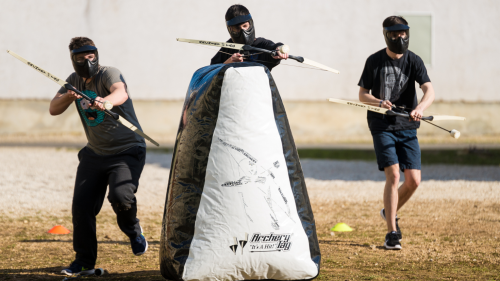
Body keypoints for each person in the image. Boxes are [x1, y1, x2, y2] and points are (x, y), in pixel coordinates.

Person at [49, 37, 148, 275]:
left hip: (127, 150)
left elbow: (120, 92)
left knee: (120, 197)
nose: (88, 60)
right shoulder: (73, 81)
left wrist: (106, 102)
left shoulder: (109, 74)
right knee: (81, 207)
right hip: (94, 154)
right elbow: (54, 108)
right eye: (82, 57)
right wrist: (69, 97)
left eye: (91, 55)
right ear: (73, 59)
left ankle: (133, 230)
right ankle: (84, 261)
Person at [357, 16, 435, 250]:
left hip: (408, 126)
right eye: (394, 34)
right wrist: (379, 102)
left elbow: (429, 89)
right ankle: (392, 232)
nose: (399, 38)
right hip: (382, 125)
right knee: (393, 174)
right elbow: (362, 95)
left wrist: (420, 108)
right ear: (386, 35)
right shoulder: (374, 61)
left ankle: (387, 211)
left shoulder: (414, 60)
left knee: (413, 180)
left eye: (403, 33)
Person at [210, 4, 288, 71]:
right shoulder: (228, 47)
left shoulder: (261, 44)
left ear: (250, 24)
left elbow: (273, 47)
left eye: (245, 26)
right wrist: (229, 62)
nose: (243, 32)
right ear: (230, 29)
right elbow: (211, 72)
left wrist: (279, 49)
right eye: (237, 28)